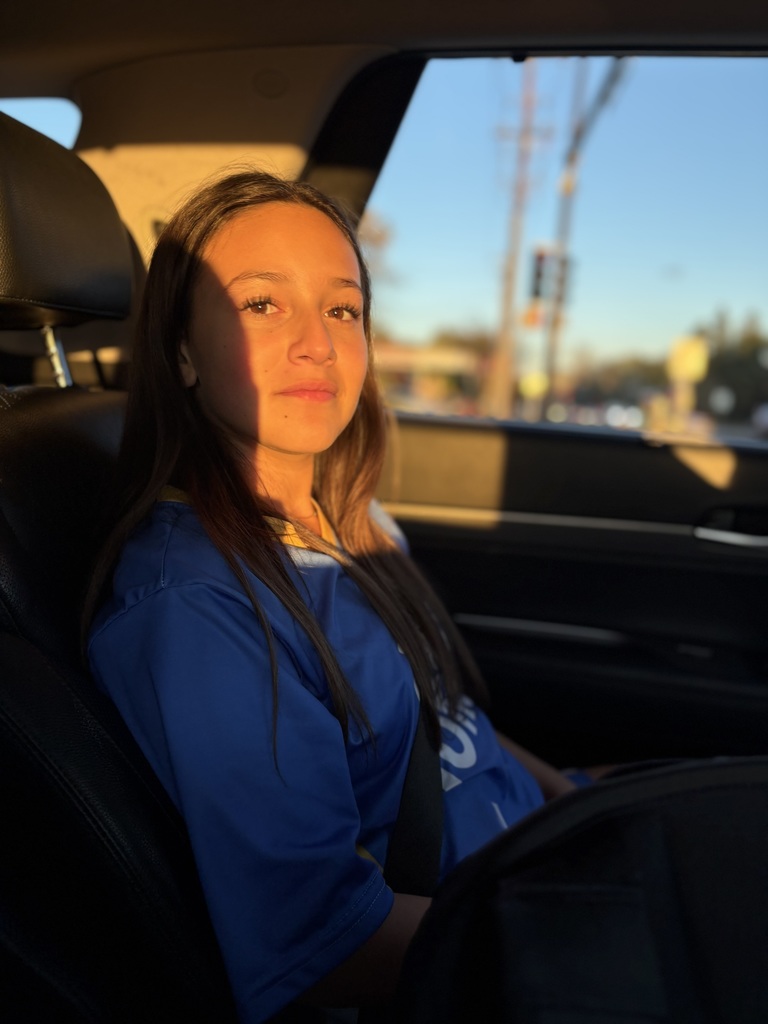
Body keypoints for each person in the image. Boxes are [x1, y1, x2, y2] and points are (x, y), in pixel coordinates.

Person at [86, 170, 577, 1024]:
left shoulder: (357, 522)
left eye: (343, 309)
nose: (318, 342)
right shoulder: (196, 610)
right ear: (183, 351)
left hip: (539, 864)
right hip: (479, 954)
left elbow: (450, 721)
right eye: (261, 304)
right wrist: (572, 942)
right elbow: (329, 945)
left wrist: (581, 809)